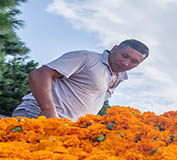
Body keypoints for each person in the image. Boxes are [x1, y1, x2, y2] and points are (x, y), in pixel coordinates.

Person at [11, 40, 149, 120]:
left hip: (66, 126)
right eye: (124, 55)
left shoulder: (119, 77)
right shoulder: (86, 58)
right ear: (114, 48)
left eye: (134, 62)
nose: (126, 63)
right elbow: (39, 74)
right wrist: (47, 110)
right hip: (37, 115)